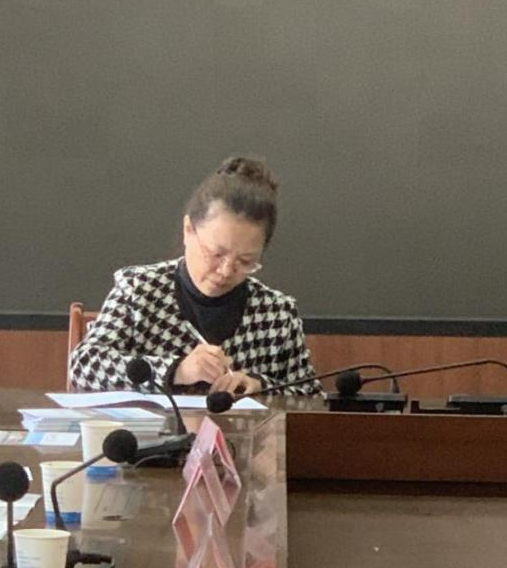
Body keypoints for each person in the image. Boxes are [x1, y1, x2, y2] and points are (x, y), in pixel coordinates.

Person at [70, 154, 321, 396]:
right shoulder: (138, 290)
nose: (226, 271)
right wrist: (176, 370)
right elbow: (83, 366)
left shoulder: (276, 313)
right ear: (188, 230)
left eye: (245, 262)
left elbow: (311, 397)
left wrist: (261, 386)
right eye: (216, 254)